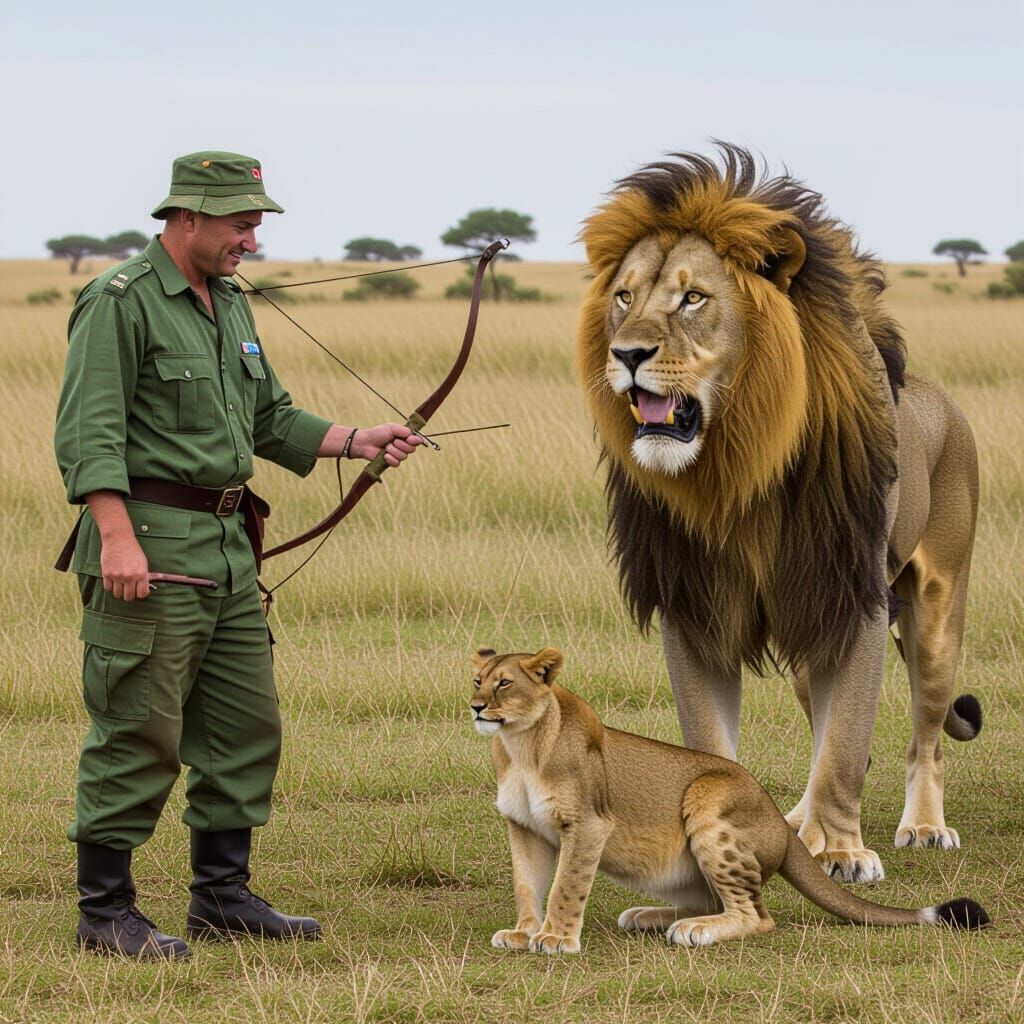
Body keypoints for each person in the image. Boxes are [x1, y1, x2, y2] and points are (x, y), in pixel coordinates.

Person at [54, 151, 422, 960]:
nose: (251, 238)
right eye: (241, 222)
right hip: (147, 544)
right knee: (137, 727)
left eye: (256, 222)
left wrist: (358, 438)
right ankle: (104, 912)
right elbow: (89, 433)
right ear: (187, 217)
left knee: (243, 726)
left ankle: (221, 898)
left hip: (225, 547)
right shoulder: (119, 301)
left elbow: (270, 418)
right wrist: (115, 537)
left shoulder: (227, 303)